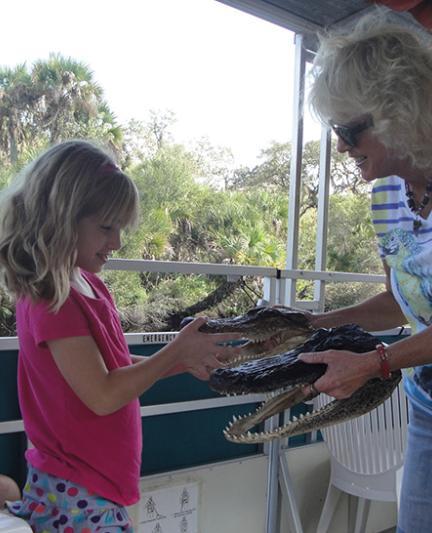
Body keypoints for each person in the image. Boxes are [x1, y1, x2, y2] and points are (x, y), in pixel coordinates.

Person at [0, 139, 241, 531]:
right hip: (76, 486)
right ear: (62, 219)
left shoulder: (90, 286)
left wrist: (184, 361)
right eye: (106, 228)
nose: (116, 243)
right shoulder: (52, 298)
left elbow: (115, 368)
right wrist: (176, 348)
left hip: (94, 483)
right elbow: (103, 394)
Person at [297, 8, 432, 532]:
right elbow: (403, 299)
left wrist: (377, 362)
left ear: (403, 110)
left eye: (350, 130)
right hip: (425, 399)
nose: (342, 147)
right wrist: (309, 325)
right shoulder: (388, 196)